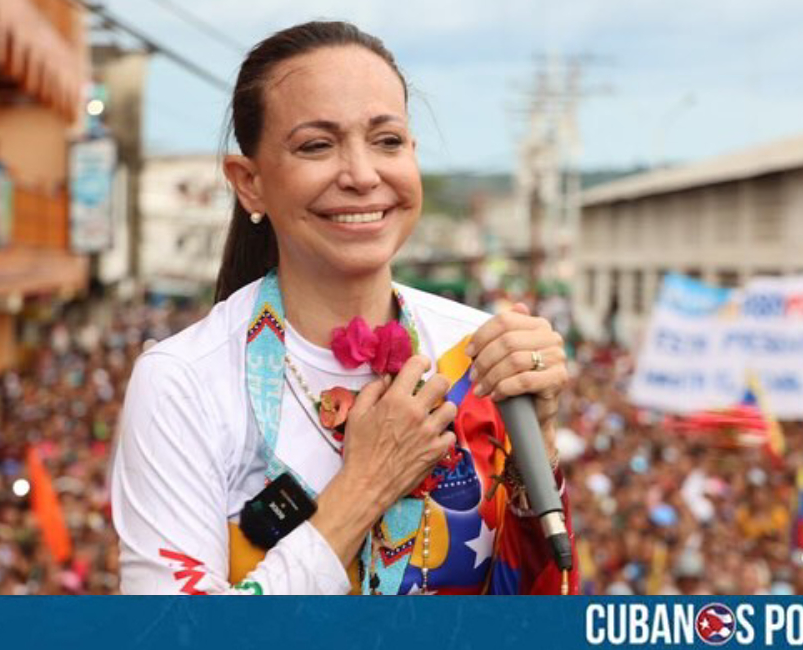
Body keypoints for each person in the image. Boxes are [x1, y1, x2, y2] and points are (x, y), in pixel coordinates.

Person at [111, 21, 577, 595]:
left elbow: (536, 611)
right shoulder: (184, 381)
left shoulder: (477, 351)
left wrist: (541, 447)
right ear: (249, 182)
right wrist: (363, 488)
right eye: (316, 145)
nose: (362, 175)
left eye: (387, 141)